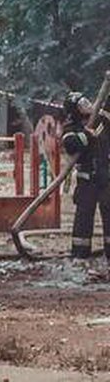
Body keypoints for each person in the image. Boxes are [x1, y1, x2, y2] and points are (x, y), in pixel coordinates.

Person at [61, 91, 110, 262]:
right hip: (86, 180)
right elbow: (70, 144)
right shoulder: (71, 128)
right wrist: (86, 134)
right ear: (75, 110)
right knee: (83, 218)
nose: (87, 105)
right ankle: (80, 253)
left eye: (86, 101)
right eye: (82, 104)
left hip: (106, 179)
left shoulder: (100, 120)